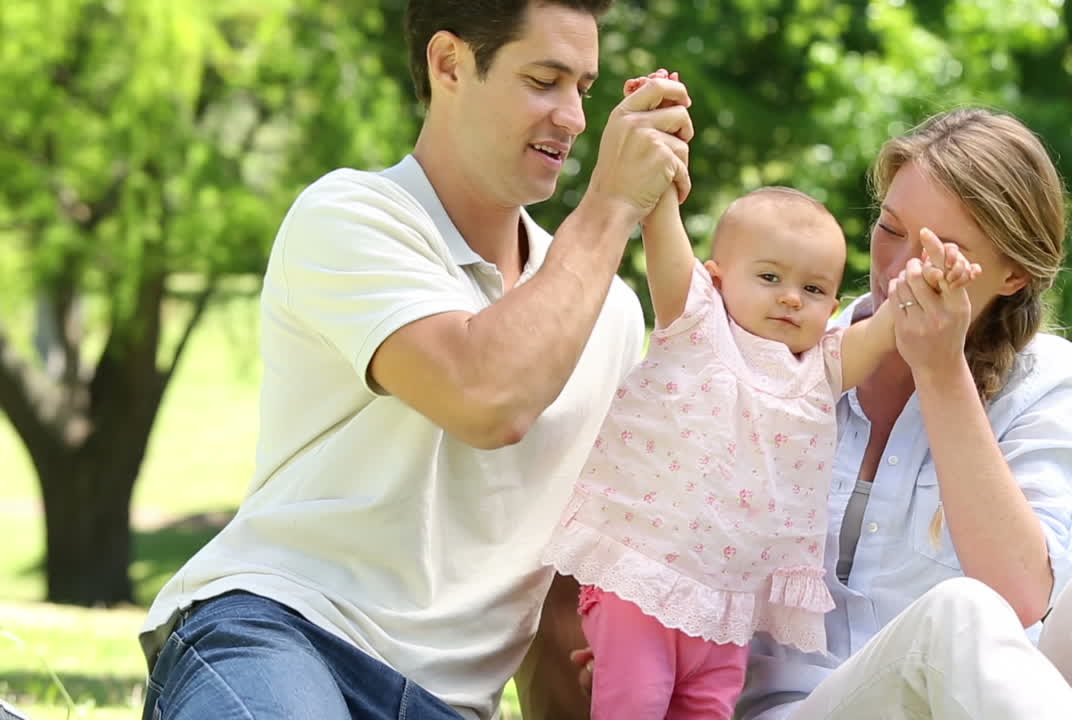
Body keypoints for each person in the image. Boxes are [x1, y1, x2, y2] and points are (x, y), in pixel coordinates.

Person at [527, 107, 1072, 719]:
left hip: (995, 694)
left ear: (1013, 274)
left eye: (938, 250)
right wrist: (643, 633)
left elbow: (1022, 597)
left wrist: (941, 368)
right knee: (954, 616)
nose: (895, 270)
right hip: (806, 706)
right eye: (889, 230)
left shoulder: (1042, 381)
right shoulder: (783, 357)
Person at [136, 2, 698, 720]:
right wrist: (615, 202)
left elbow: (561, 594)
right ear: (449, 64)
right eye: (544, 80)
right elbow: (486, 395)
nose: (574, 118)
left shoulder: (611, 314)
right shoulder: (349, 216)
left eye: (583, 89)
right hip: (282, 632)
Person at [540, 72, 980, 718]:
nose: (789, 298)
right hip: (644, 581)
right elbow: (662, 227)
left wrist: (935, 274)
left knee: (708, 710)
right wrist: (659, 141)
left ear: (835, 302)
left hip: (725, 610)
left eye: (812, 288)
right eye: (770, 277)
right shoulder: (697, 320)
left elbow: (892, 322)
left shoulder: (823, 364)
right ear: (719, 277)